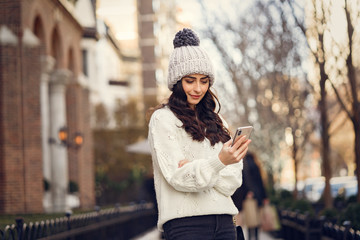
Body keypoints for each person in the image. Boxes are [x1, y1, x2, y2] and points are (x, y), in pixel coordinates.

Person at [147, 28, 251, 240]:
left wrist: (198, 168)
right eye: (190, 80)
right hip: (186, 226)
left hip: (225, 222)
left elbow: (233, 181)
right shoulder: (162, 119)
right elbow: (178, 178)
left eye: (204, 81)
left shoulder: (218, 121)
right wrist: (218, 162)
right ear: (177, 82)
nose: (198, 88)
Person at [232, 152, 268, 240]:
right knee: (255, 220)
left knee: (250, 220)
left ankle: (251, 237)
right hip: (256, 196)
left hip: (249, 196)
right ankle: (255, 237)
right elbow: (260, 182)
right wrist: (264, 196)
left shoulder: (245, 163)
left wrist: (248, 191)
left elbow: (246, 179)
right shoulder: (255, 164)